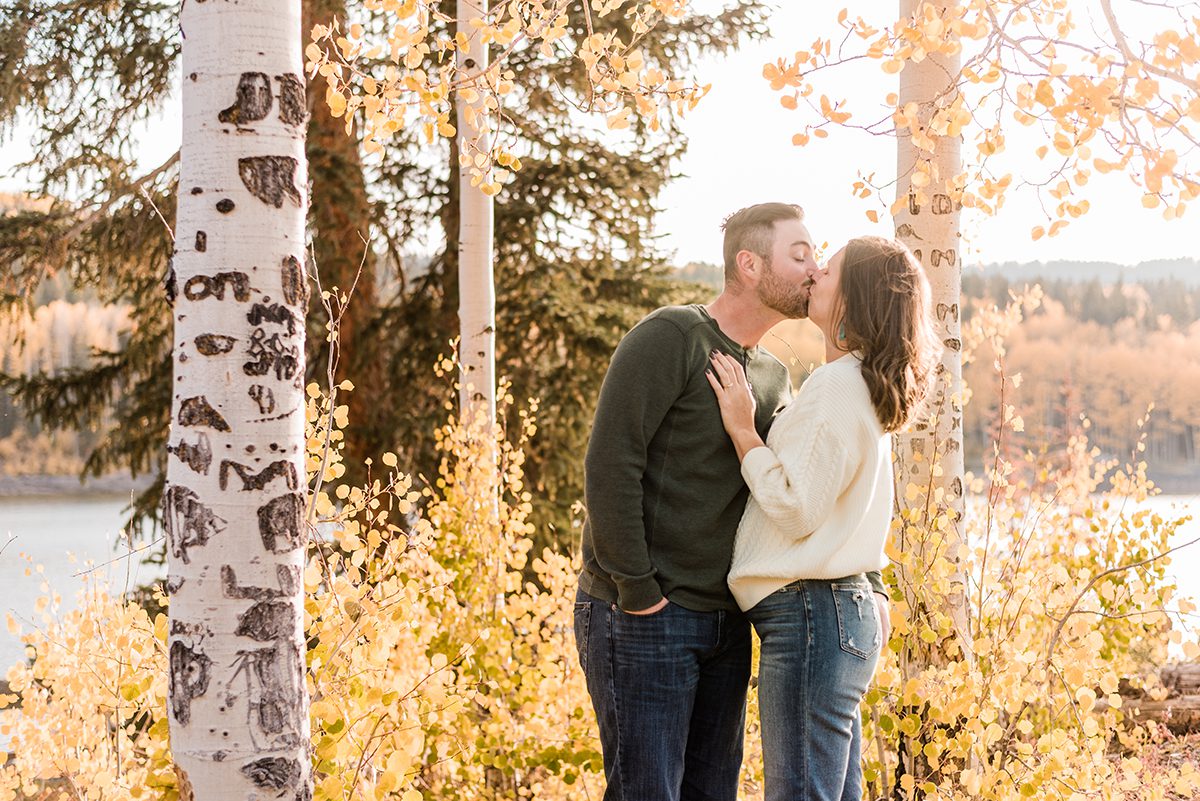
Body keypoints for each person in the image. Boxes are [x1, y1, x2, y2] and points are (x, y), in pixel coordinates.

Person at [574, 203, 889, 801]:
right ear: (749, 264)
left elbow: (799, 487)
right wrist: (640, 594)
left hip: (728, 624)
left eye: (816, 256)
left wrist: (869, 578)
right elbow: (611, 464)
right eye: (800, 255)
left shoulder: (772, 377)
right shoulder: (671, 337)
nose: (814, 270)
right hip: (644, 615)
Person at [706, 235, 939, 801]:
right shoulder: (860, 385)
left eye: (828, 270)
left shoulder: (837, 386)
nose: (814, 276)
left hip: (813, 614)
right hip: (835, 614)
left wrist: (743, 431)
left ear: (853, 296)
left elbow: (796, 507)